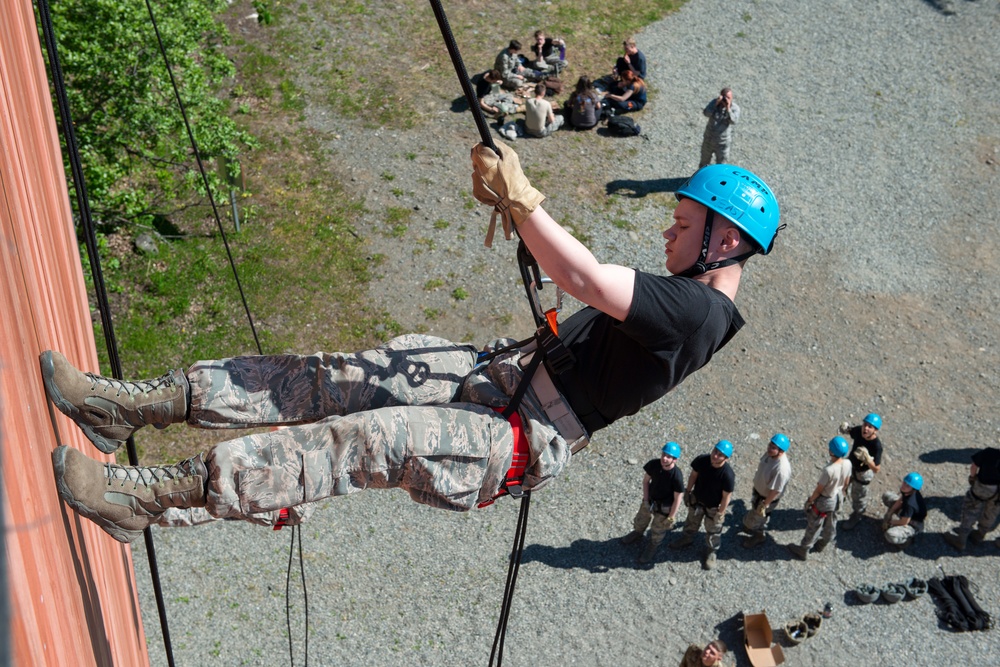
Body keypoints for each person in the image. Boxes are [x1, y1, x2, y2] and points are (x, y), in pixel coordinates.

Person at [46, 145, 782, 545]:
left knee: (350, 441)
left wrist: (526, 199)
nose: (667, 234)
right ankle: (133, 407)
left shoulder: (696, 313)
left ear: (724, 240)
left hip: (519, 433)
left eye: (681, 226)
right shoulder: (688, 299)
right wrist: (523, 218)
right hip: (504, 375)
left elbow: (582, 274)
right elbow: (582, 291)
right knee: (336, 376)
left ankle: (145, 498)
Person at [669, 440, 736, 570]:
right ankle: (687, 538)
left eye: (720, 455)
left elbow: (726, 497)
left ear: (726, 458)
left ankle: (712, 551)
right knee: (691, 521)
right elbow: (693, 476)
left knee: (713, 529)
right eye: (715, 451)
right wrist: (688, 491)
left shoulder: (727, 475)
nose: (715, 456)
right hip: (697, 500)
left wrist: (720, 513)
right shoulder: (702, 460)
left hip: (713, 506)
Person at [785, 437, 852, 561]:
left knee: (814, 524)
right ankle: (823, 543)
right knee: (832, 523)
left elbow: (819, 489)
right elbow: (847, 482)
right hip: (838, 498)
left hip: (826, 499)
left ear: (831, 452)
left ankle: (804, 549)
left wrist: (810, 500)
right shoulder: (848, 463)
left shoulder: (829, 470)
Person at [620, 441, 685, 565]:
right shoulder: (654, 465)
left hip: (664, 508)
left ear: (674, 460)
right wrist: (645, 500)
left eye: (669, 456)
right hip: (650, 500)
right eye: (664, 454)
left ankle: (652, 546)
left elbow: (678, 498)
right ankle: (638, 532)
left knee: (658, 530)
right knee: (640, 519)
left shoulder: (676, 476)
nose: (664, 458)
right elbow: (646, 482)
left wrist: (671, 517)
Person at [943, 447, 1000, 551]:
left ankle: (961, 540)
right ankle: (979, 535)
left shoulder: (989, 452)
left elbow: (974, 466)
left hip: (982, 486)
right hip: (998, 492)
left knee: (970, 510)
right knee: (991, 513)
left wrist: (972, 477)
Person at [742, 433, 792, 549]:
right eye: (770, 445)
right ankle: (751, 522)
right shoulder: (770, 455)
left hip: (766, 498)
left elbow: (775, 491)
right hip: (759, 492)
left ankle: (759, 535)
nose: (769, 448)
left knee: (760, 518)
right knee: (755, 512)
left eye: (773, 448)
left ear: (781, 451)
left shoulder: (781, 469)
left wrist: (765, 505)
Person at [839, 412, 884, 530]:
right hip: (850, 466)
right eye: (865, 424)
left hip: (863, 473)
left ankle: (857, 515)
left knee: (858, 496)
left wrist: (868, 460)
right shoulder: (859, 431)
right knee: (840, 486)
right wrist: (845, 429)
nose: (866, 428)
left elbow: (877, 469)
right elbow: (851, 431)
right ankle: (836, 505)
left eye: (870, 427)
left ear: (875, 430)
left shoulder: (876, 446)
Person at [881, 472, 927, 549]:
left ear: (913, 488)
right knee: (887, 496)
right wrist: (890, 512)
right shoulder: (908, 491)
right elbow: (901, 500)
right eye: (904, 482)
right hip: (906, 513)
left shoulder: (910, 504)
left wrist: (890, 522)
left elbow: (904, 522)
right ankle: (894, 525)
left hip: (913, 523)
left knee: (890, 534)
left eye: (908, 485)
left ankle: (905, 541)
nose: (904, 486)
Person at [699, 88, 741, 167]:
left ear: (732, 98)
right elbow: (706, 113)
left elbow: (734, 121)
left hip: (722, 143)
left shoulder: (735, 108)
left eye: (728, 98)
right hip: (709, 139)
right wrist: (715, 104)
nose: (726, 99)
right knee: (704, 163)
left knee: (721, 165)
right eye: (724, 97)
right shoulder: (714, 103)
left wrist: (728, 109)